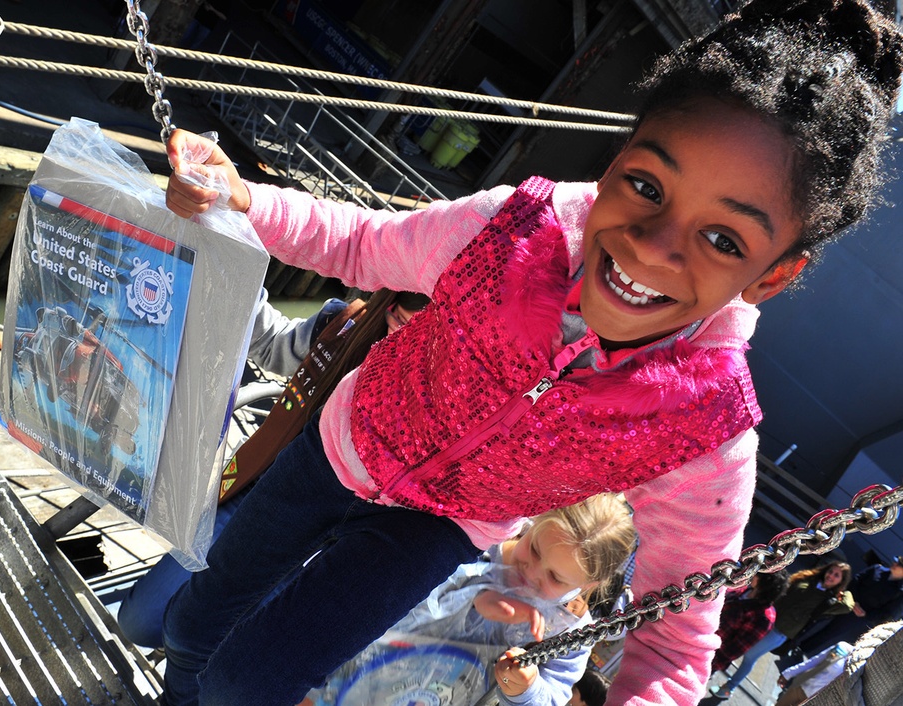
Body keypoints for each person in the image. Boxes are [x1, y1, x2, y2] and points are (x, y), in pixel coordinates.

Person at [159, 2, 903, 703]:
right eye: (645, 185)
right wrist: (245, 199)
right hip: (342, 444)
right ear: (616, 160)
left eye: (723, 240)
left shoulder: (706, 426)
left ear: (772, 275)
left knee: (245, 686)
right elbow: (360, 242)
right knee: (193, 624)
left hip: (441, 527)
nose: (651, 248)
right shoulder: (515, 231)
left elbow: (677, 635)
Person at [116, 288, 427, 647]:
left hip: (325, 543)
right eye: (398, 319)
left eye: (418, 327)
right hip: (261, 494)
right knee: (141, 622)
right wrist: (235, 277)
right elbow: (272, 342)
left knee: (210, 646)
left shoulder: (452, 402)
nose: (401, 335)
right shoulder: (343, 324)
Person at [302, 494, 635, 706]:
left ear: (589, 584)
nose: (533, 573)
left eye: (555, 578)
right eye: (533, 549)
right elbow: (397, 593)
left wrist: (525, 688)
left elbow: (552, 697)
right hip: (344, 674)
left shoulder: (571, 631)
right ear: (535, 523)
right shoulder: (479, 543)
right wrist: (475, 596)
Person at [708, 561, 854, 699]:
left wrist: (843, 592)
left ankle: (729, 688)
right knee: (732, 641)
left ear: (841, 582)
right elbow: (784, 587)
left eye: (836, 576)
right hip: (764, 619)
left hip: (780, 631)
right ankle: (712, 669)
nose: (831, 576)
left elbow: (848, 606)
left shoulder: (830, 600)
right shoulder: (809, 578)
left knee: (749, 656)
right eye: (831, 571)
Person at [800, 554, 903, 657]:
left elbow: (887, 613)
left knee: (829, 633)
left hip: (857, 616)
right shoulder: (877, 568)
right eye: (896, 561)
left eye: (899, 565)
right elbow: (856, 579)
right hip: (844, 600)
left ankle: (802, 649)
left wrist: (865, 614)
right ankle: (793, 640)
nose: (894, 564)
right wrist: (853, 600)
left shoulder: (899, 592)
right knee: (815, 618)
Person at [709, 570, 790, 678]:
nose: (753, 573)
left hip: (708, 656)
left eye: (758, 574)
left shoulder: (764, 617)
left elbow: (735, 649)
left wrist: (711, 663)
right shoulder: (744, 589)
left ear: (764, 583)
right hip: (695, 636)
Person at [774, 641, 853, 706]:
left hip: (816, 701)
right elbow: (814, 661)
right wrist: (788, 674)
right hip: (800, 687)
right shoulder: (843, 647)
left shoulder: (859, 672)